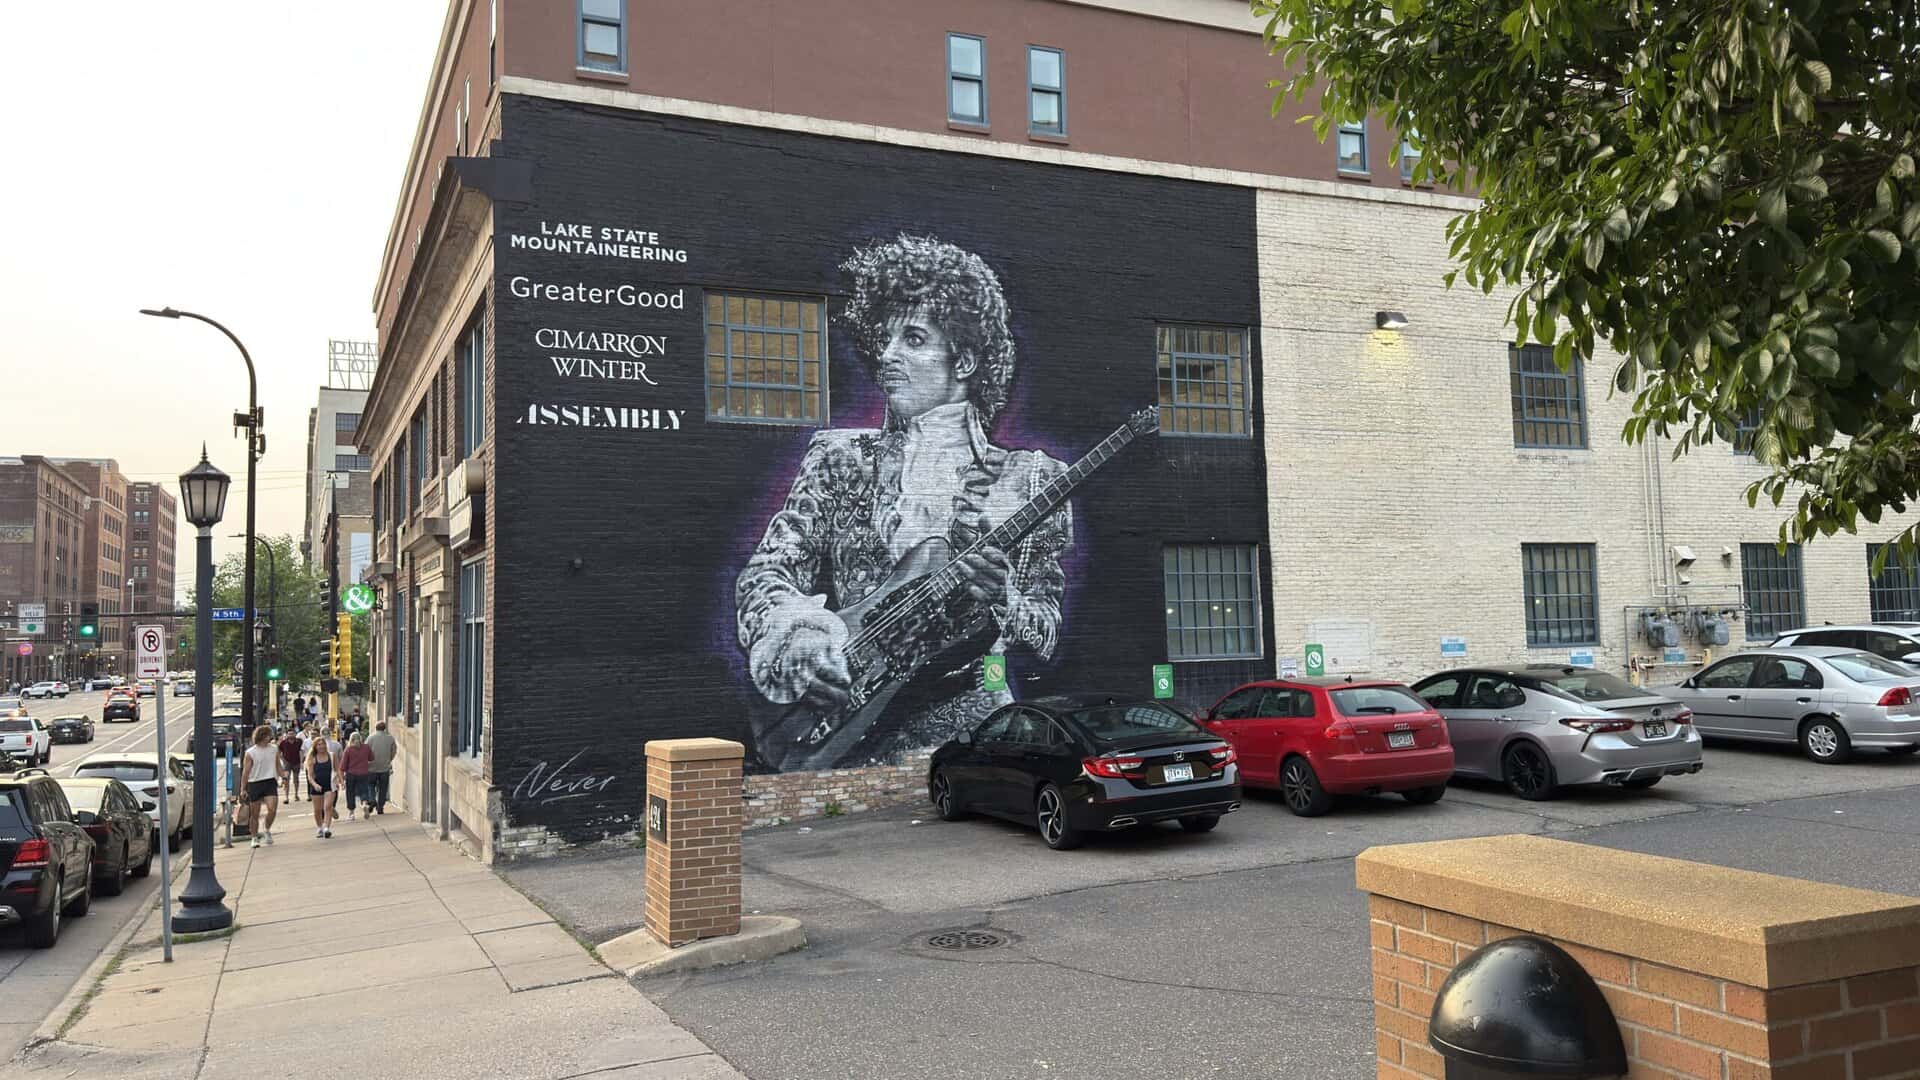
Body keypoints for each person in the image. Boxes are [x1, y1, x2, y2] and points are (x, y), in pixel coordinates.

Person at [736, 234, 1072, 772]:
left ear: (962, 360)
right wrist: (797, 637)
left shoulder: (1033, 480)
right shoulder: (838, 457)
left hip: (974, 739)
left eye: (913, 339)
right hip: (846, 733)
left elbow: (1046, 629)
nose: (888, 355)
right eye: (886, 338)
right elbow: (768, 572)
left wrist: (1007, 599)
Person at [239, 725, 283, 848]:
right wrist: (243, 788)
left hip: (270, 781)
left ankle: (267, 829)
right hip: (255, 782)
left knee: (272, 809)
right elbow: (246, 772)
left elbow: (278, 765)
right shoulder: (250, 753)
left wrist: (283, 775)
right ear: (262, 736)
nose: (270, 737)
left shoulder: (274, 749)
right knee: (255, 813)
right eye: (268, 735)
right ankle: (254, 837)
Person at [306, 730, 339, 838]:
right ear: (315, 747)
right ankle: (320, 827)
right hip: (317, 787)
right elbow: (310, 776)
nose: (321, 746)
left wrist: (341, 781)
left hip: (330, 785)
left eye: (323, 744)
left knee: (328, 807)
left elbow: (337, 769)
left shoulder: (332, 755)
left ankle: (326, 828)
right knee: (317, 810)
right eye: (319, 745)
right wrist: (315, 785)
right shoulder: (312, 759)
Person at [340, 731, 374, 821]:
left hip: (351, 774)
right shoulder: (366, 747)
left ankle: (351, 813)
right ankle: (364, 804)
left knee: (350, 793)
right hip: (364, 773)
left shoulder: (348, 750)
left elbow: (343, 766)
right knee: (364, 790)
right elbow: (371, 758)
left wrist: (342, 779)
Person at [365, 720, 396, 814]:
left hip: (371, 767)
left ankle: (372, 799)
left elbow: (365, 750)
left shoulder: (370, 738)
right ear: (384, 728)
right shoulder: (390, 738)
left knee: (370, 785)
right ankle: (380, 807)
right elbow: (394, 751)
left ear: (376, 728)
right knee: (383, 788)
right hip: (384, 767)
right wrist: (389, 759)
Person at [278, 725, 304, 801]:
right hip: (287, 762)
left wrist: (301, 761)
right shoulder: (283, 742)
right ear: (287, 734)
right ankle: (286, 797)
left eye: (292, 734)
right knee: (286, 780)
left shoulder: (299, 741)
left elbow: (301, 751)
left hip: (297, 762)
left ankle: (296, 794)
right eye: (289, 734)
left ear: (295, 734)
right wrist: (282, 760)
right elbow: (279, 751)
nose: (291, 735)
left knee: (296, 779)